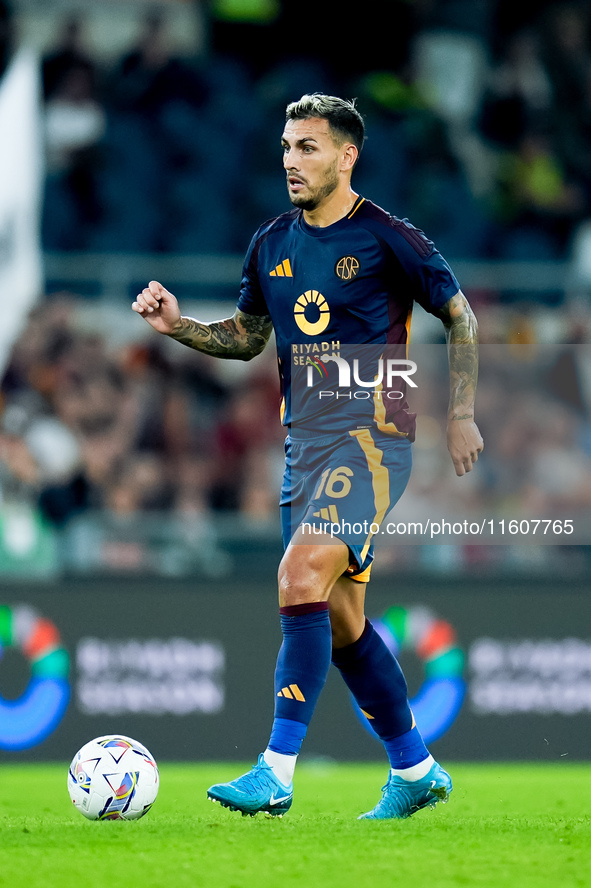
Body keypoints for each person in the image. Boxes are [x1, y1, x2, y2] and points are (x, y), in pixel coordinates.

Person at [132, 93, 484, 820]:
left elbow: (459, 314)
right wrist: (176, 327)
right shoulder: (269, 243)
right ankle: (415, 768)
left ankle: (275, 770)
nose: (291, 161)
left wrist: (460, 413)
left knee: (298, 574)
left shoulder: (389, 238)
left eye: (308, 147)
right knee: (344, 622)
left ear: (346, 156)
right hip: (304, 446)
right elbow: (248, 336)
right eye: (287, 147)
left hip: (372, 439)